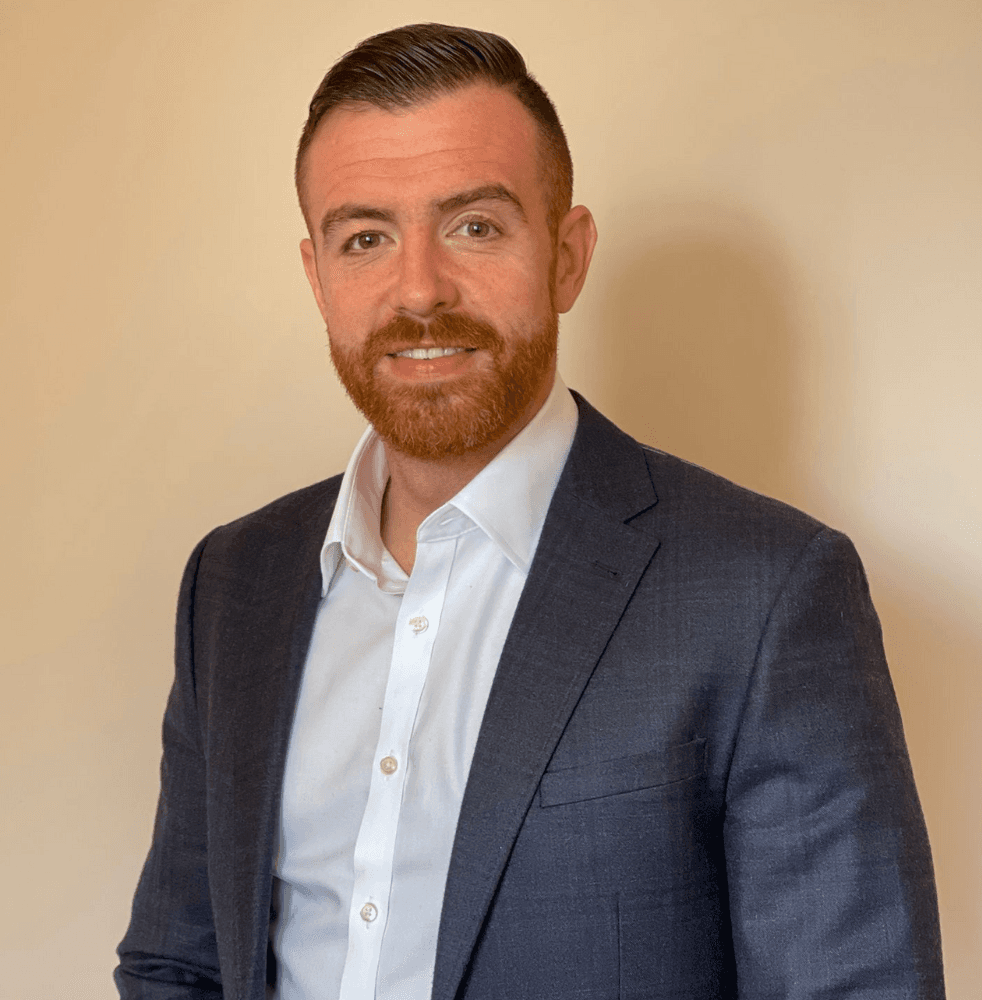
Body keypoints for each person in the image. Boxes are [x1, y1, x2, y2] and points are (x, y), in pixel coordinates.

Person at [115, 23, 945, 1000]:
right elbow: (179, 961)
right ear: (318, 277)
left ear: (566, 255)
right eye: (366, 237)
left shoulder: (762, 590)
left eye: (474, 225)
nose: (418, 287)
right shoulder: (233, 583)